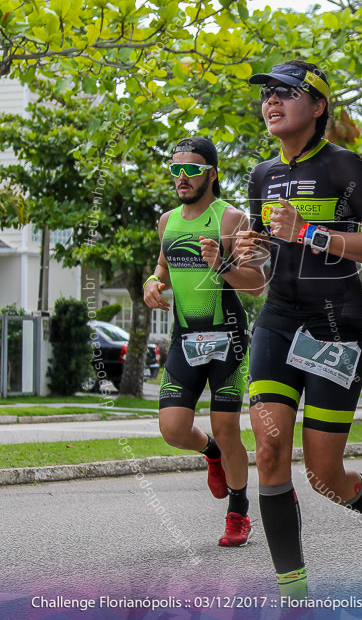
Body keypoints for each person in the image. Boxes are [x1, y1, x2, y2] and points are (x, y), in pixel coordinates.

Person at [235, 60, 362, 599]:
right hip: (277, 319)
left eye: (286, 93)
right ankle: (293, 595)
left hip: (335, 325)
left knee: (324, 475)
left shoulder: (345, 168)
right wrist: (235, 260)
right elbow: (259, 272)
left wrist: (314, 232)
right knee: (269, 453)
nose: (271, 101)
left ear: (318, 107)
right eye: (267, 94)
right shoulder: (261, 176)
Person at [143, 136, 264, 547]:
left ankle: (238, 512)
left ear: (212, 173)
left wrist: (222, 263)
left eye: (191, 169)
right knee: (173, 428)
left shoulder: (230, 219)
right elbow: (162, 265)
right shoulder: (166, 221)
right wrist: (151, 282)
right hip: (185, 338)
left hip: (228, 338)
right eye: (175, 168)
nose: (181, 176)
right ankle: (210, 452)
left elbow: (256, 284)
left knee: (226, 425)